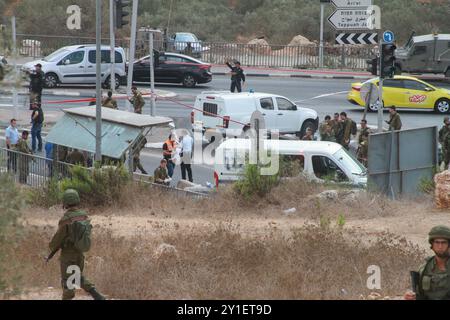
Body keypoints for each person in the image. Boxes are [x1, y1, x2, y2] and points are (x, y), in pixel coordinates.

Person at [47, 189, 105, 300]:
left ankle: (68, 297)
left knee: (67, 280)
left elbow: (58, 239)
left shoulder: (65, 219)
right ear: (77, 200)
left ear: (65, 203)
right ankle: (94, 292)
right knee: (77, 277)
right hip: (79, 253)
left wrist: (50, 250)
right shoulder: (84, 216)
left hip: (68, 254)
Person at [404, 225, 450, 300]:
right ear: (432, 244)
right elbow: (420, 295)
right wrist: (411, 297)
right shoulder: (424, 268)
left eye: (444, 243)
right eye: (437, 243)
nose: (440, 246)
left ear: (449, 244)